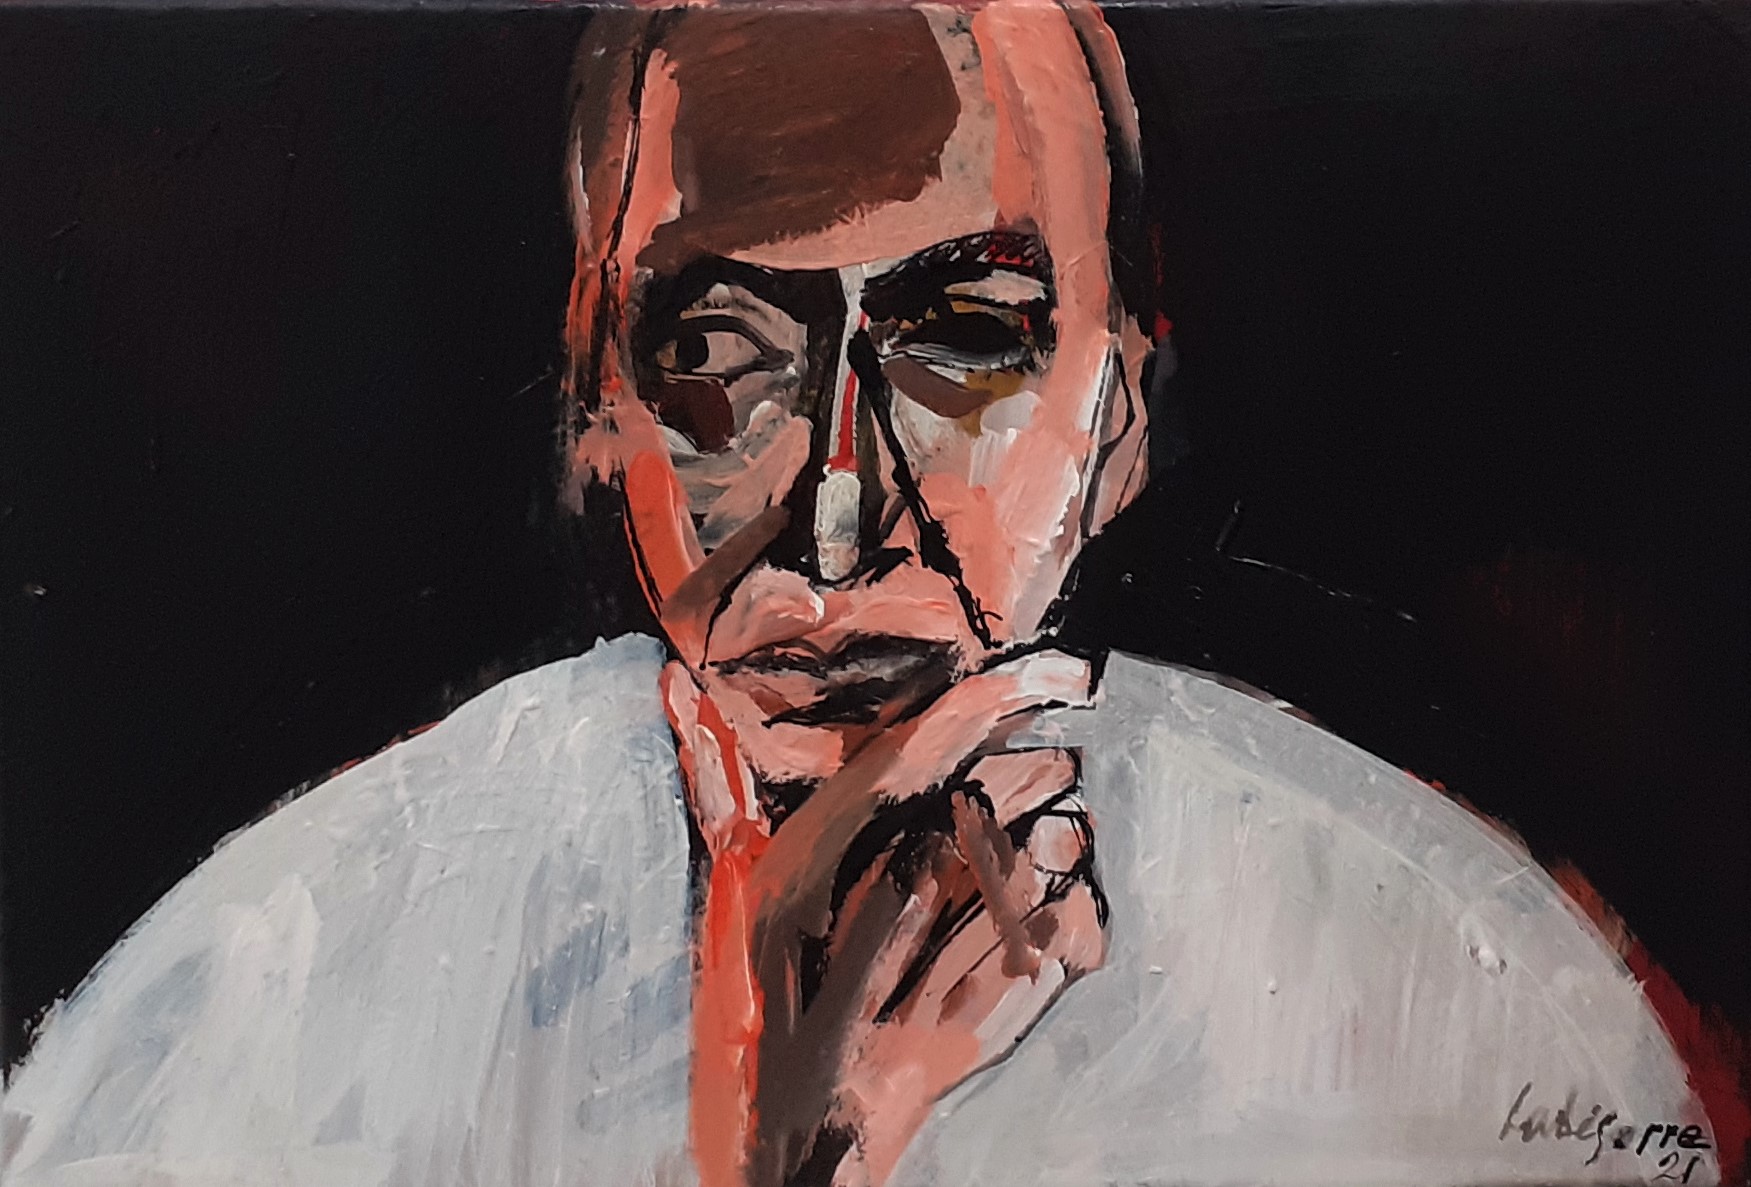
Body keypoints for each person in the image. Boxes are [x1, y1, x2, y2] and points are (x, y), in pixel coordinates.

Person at [2, 4, 1725, 1186]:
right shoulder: (241, 1022)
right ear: (596, 422)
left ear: (1121, 415)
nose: (838, 517)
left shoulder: (1458, 999)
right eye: (721, 353)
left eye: (967, 338)